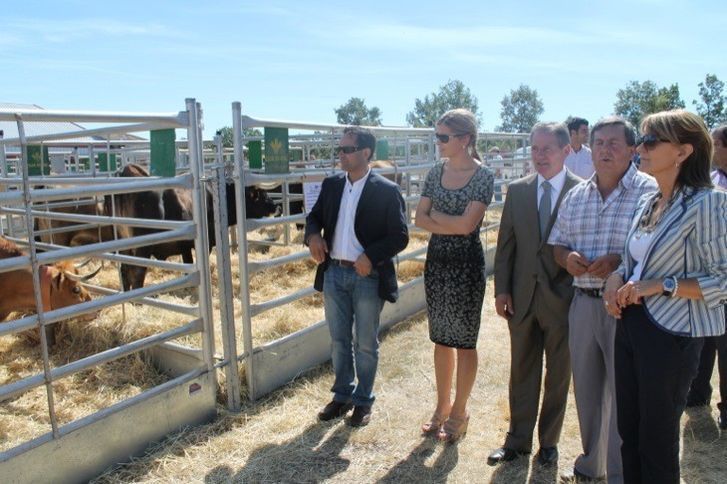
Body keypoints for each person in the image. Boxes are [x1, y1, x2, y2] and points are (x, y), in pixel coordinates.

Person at [603, 110, 727, 483]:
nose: (641, 147)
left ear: (683, 151)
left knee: (656, 443)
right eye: (642, 139)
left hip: (671, 335)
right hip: (631, 325)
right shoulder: (650, 201)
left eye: (651, 141)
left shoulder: (709, 203)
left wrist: (661, 285)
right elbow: (632, 261)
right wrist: (616, 279)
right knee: (631, 434)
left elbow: (722, 280)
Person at [550, 117, 657, 483]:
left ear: (631, 150)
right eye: (598, 143)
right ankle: (591, 462)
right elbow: (558, 244)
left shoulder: (650, 192)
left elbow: (656, 251)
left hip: (629, 308)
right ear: (588, 148)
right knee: (588, 385)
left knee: (624, 390)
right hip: (583, 301)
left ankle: (619, 471)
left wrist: (618, 262)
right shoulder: (576, 195)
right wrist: (567, 260)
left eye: (614, 143)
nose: (604, 150)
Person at [488, 122, 581, 466]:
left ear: (566, 150)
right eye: (535, 149)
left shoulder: (581, 191)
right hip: (523, 299)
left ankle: (550, 443)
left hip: (564, 300)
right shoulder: (518, 190)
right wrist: (502, 291)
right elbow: (506, 247)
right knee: (521, 371)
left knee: (558, 375)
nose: (540, 156)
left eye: (548, 149)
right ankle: (517, 441)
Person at [305, 126, 409, 427]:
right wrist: (313, 237)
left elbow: (400, 236)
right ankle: (342, 395)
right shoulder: (333, 184)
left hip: (367, 275)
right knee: (338, 340)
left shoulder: (386, 190)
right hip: (334, 271)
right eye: (340, 149)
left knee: (365, 342)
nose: (341, 154)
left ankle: (363, 400)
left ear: (365, 153)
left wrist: (370, 256)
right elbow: (314, 218)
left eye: (347, 149)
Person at [415, 109, 494, 442]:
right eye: (437, 136)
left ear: (465, 139)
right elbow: (419, 218)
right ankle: (441, 405)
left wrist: (441, 219)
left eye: (444, 137)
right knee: (441, 338)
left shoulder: (484, 176)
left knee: (463, 340)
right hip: (438, 263)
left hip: (466, 266)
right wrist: (455, 222)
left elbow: (467, 226)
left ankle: (460, 410)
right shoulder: (435, 172)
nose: (439, 142)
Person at [685, 124, 727, 428]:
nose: (711, 150)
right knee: (704, 337)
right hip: (707, 269)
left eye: (716, 144)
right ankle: (698, 393)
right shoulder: (709, 180)